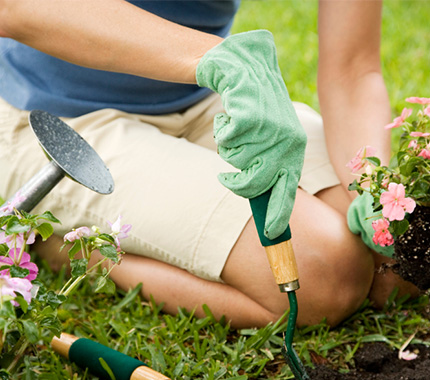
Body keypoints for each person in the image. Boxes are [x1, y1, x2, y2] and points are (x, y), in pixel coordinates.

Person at [0, 0, 419, 329]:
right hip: (56, 122)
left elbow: (352, 69)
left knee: (398, 266)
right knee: (324, 277)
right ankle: (68, 245)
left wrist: (369, 185)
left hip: (200, 94)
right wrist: (220, 59)